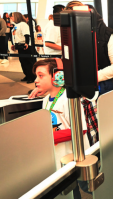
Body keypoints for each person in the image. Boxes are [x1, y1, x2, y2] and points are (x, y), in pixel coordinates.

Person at [32, 58, 90, 199]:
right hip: (60, 155)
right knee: (69, 189)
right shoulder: (46, 100)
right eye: (36, 76)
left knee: (85, 185)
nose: (36, 80)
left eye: (41, 75)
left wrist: (50, 137)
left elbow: (80, 128)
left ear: (57, 76)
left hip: (74, 155)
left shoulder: (68, 99)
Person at [10, 12, 36, 83]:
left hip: (26, 46)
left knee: (28, 62)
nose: (10, 17)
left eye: (12, 16)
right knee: (23, 62)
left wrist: (26, 43)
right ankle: (27, 75)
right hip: (19, 45)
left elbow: (26, 34)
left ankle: (32, 77)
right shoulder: (16, 25)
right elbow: (15, 36)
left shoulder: (23, 24)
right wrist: (14, 44)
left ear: (16, 16)